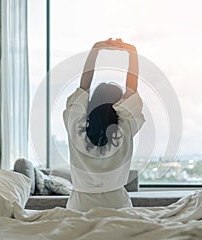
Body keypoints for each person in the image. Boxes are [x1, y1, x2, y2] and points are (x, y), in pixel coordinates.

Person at [63, 38, 145, 211]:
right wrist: (132, 52)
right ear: (118, 105)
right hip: (118, 205)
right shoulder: (125, 128)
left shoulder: (76, 124)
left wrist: (96, 49)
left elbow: (83, 86)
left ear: (91, 103)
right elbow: (132, 88)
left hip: (79, 206)